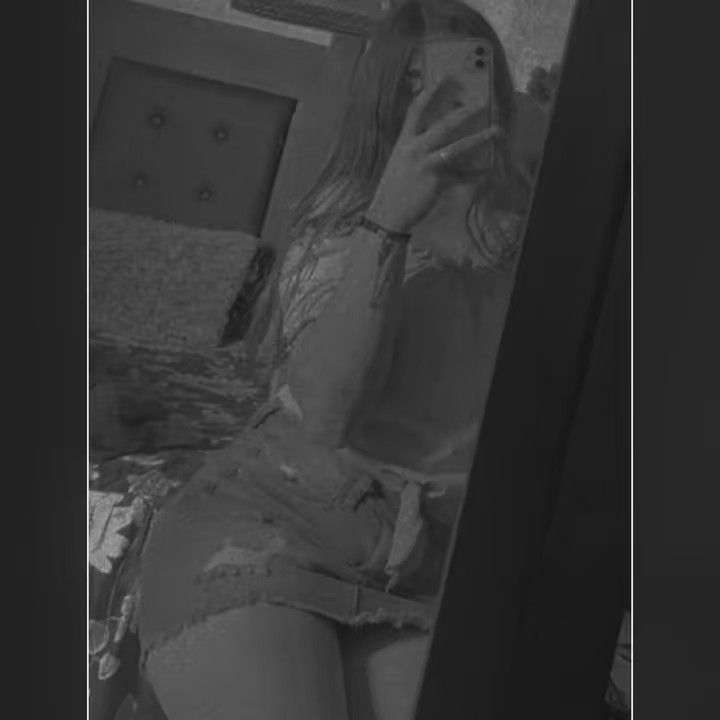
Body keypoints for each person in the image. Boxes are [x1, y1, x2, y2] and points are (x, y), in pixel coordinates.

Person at [137, 1, 537, 718]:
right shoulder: (344, 222)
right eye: (412, 80)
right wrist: (391, 223)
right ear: (383, 99)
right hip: (270, 525)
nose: (440, 98)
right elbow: (326, 415)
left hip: (421, 569)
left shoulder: (548, 227)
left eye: (467, 74)